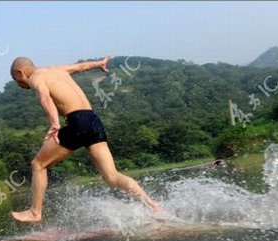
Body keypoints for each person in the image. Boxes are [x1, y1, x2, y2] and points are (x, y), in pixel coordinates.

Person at [10, 56, 163, 223]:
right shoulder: (56, 69)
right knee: (112, 176)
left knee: (38, 164)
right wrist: (99, 64)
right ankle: (152, 204)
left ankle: (35, 212)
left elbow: (45, 98)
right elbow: (82, 66)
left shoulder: (35, 78)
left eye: (17, 81)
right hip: (93, 121)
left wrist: (54, 123)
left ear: (20, 73)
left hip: (77, 122)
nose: (20, 85)